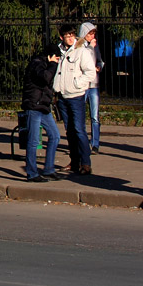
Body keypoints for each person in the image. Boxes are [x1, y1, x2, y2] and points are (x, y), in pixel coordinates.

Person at [52, 23, 97, 175]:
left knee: (79, 130)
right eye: (67, 36)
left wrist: (78, 84)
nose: (70, 39)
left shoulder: (81, 51)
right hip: (62, 96)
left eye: (72, 36)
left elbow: (90, 73)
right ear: (62, 37)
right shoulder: (60, 51)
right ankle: (74, 161)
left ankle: (86, 163)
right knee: (69, 131)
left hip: (76, 96)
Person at [20, 44, 61, 182]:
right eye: (56, 58)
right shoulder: (37, 64)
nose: (57, 61)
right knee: (33, 140)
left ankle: (49, 168)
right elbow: (46, 78)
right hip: (34, 105)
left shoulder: (44, 64)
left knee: (55, 135)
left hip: (43, 106)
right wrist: (53, 65)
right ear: (49, 56)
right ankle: (32, 173)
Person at [81, 22, 104, 154]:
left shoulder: (95, 46)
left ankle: (95, 143)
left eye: (93, 33)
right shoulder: (81, 46)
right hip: (83, 85)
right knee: (81, 115)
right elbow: (84, 61)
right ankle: (82, 143)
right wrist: (90, 47)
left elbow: (99, 60)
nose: (92, 36)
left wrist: (99, 67)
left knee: (95, 116)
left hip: (94, 84)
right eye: (90, 33)